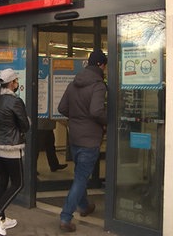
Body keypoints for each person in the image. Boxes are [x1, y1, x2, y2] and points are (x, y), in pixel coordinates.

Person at [57, 49, 108, 233]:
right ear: (101, 65)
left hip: (75, 137)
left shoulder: (74, 83)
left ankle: (85, 206)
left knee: (80, 174)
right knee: (80, 177)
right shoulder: (98, 85)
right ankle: (65, 216)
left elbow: (62, 107)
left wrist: (77, 118)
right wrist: (107, 121)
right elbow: (96, 111)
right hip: (89, 139)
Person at [0, 68, 30, 236]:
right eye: (16, 81)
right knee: (18, 184)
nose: (18, 83)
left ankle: (2, 219)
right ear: (11, 83)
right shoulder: (15, 101)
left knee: (2, 182)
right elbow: (25, 126)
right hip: (11, 148)